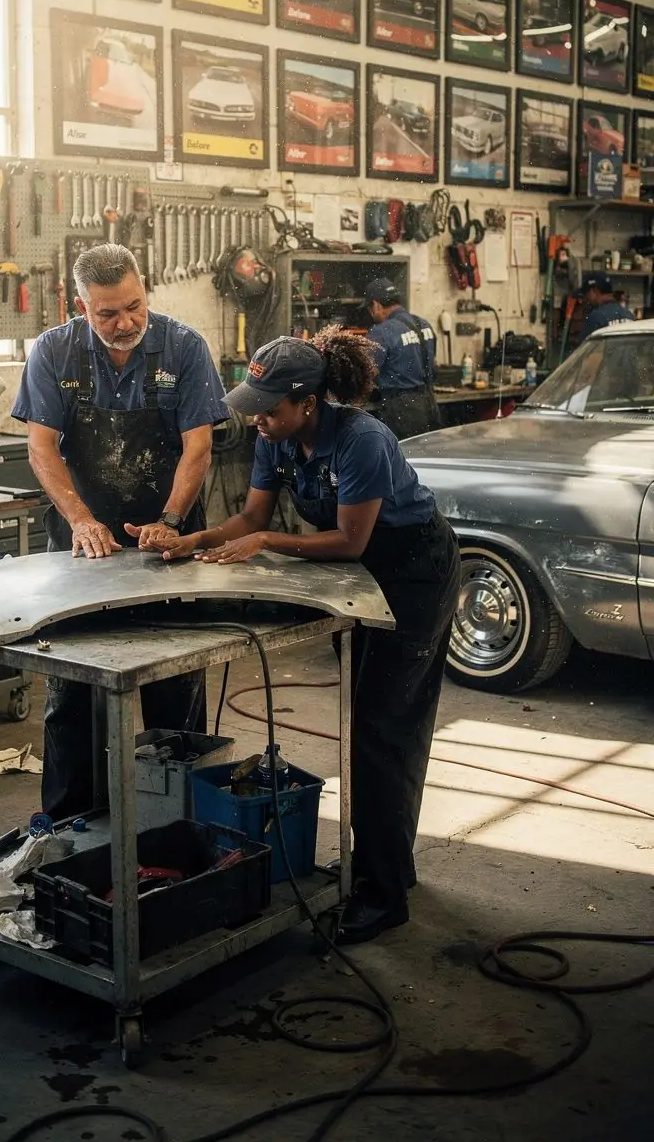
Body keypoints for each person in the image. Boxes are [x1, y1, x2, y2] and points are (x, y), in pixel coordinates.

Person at [153, 327, 461, 945]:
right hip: (360, 576)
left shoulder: (362, 440)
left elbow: (350, 540)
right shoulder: (277, 439)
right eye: (254, 409)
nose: (258, 421)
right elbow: (251, 517)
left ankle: (383, 893)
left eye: (269, 411)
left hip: (414, 573)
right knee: (374, 725)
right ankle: (386, 866)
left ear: (308, 403)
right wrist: (190, 540)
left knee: (383, 731)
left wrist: (264, 544)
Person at [11, 242, 229, 818]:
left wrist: (171, 522)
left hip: (171, 540)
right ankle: (68, 830)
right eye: (107, 313)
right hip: (86, 547)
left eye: (134, 305)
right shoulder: (54, 352)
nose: (125, 322)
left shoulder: (184, 347)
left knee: (175, 685)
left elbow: (198, 445)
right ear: (78, 306)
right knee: (74, 688)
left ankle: (178, 824)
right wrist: (80, 519)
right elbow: (40, 447)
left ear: (145, 289)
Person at [364, 279, 441, 439]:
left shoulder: (382, 331)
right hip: (430, 404)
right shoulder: (424, 324)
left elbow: (365, 373)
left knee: (402, 459)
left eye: (370, 309)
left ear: (376, 305)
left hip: (402, 412)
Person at [578, 271, 635, 342]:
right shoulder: (629, 314)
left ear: (594, 291)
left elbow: (584, 350)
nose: (585, 298)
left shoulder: (596, 317)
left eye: (586, 293)